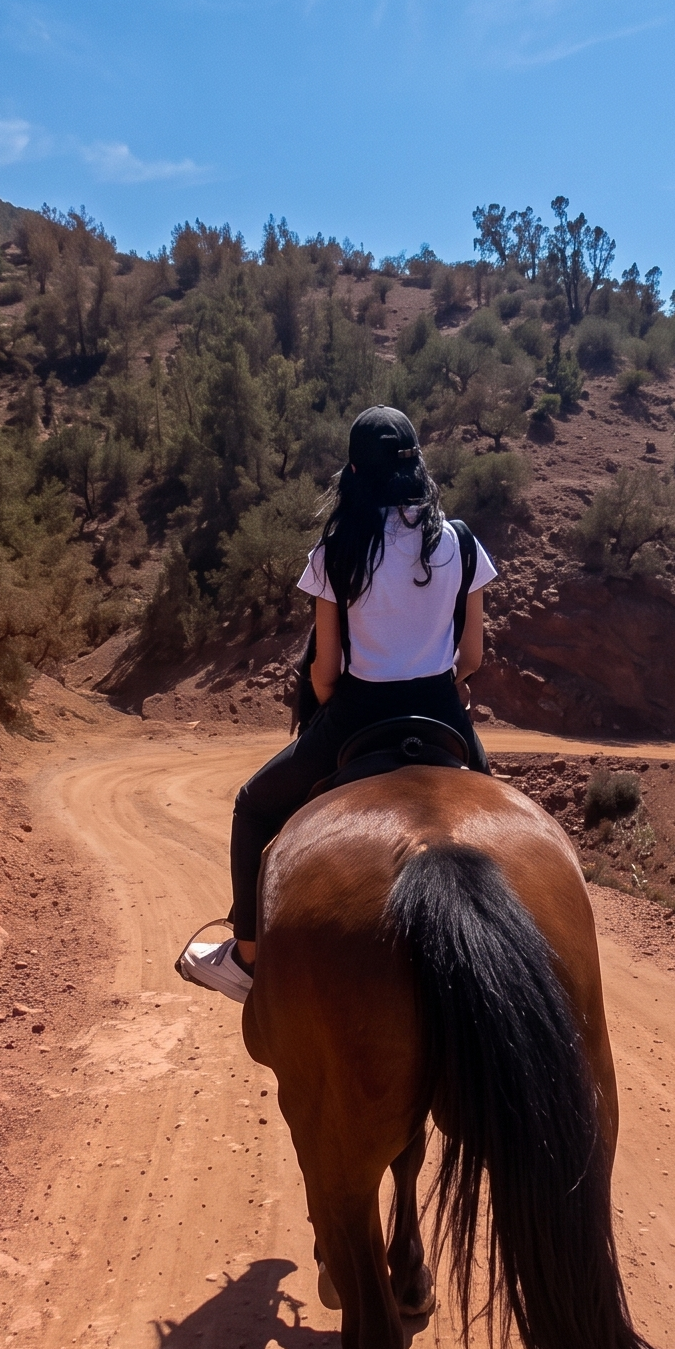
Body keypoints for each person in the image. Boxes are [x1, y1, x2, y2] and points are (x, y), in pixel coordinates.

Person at [177, 405, 497, 1002]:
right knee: (497, 814)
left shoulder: (335, 551)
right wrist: (444, 685)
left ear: (353, 472)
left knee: (253, 806)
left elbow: (324, 673)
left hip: (358, 714)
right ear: (417, 466)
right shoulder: (460, 541)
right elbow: (472, 656)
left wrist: (330, 708)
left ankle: (246, 959)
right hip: (441, 712)